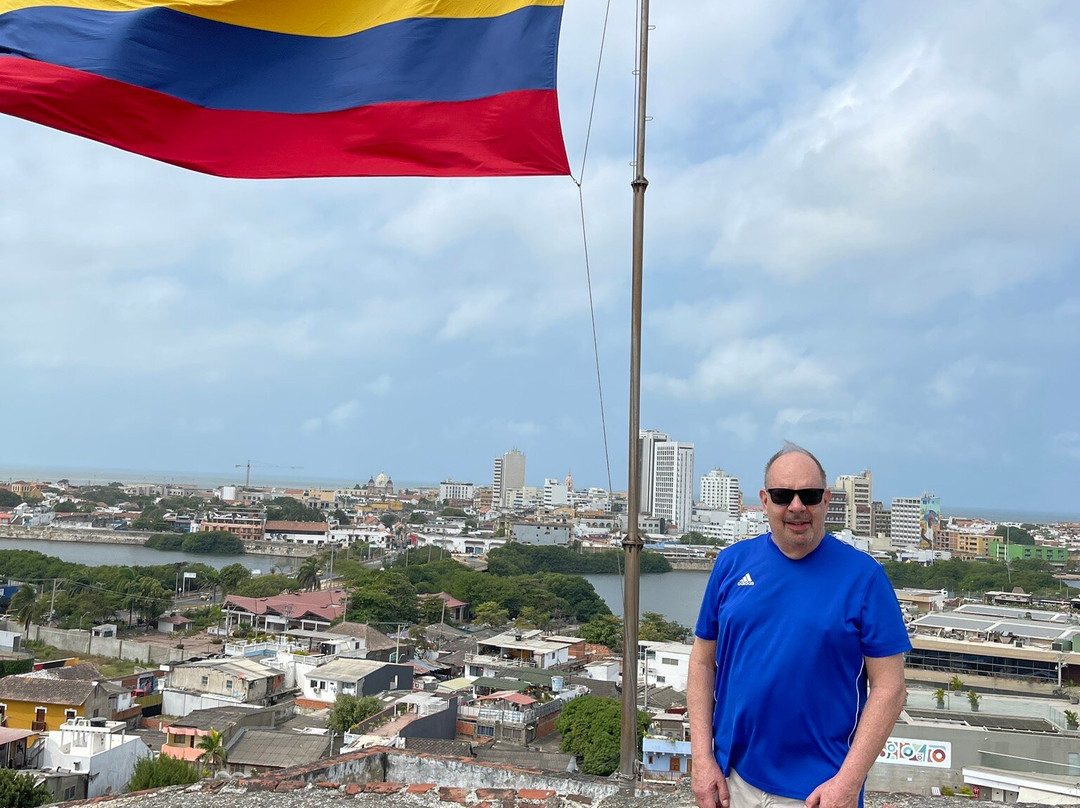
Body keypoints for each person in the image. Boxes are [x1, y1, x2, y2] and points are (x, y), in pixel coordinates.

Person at [687, 443, 910, 808]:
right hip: (733, 780)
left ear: (826, 500)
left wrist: (848, 783)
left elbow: (891, 688)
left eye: (808, 495)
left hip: (818, 790)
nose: (796, 506)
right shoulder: (731, 563)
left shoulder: (864, 577)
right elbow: (701, 661)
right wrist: (702, 758)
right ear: (764, 500)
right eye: (782, 495)